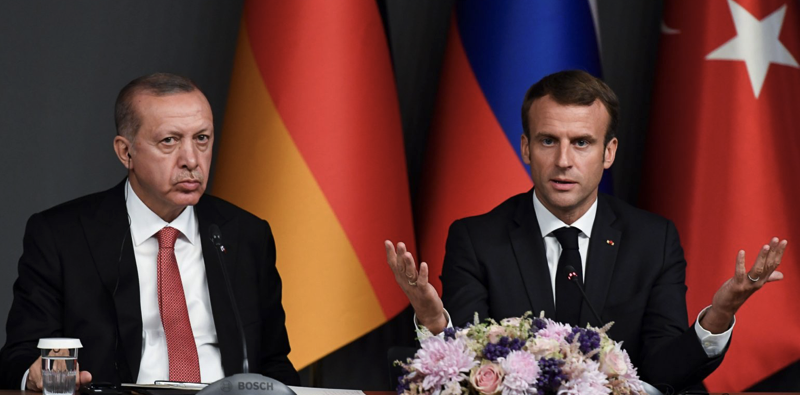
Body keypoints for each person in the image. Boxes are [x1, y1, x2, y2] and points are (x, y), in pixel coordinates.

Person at [385, 70, 786, 392]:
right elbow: (474, 370)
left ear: (608, 153)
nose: (563, 161)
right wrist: (435, 322)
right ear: (525, 148)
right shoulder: (476, 239)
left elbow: (665, 371)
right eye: (548, 141)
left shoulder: (653, 240)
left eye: (581, 143)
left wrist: (719, 315)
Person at [0, 73, 300, 389]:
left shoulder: (246, 234)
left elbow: (273, 363)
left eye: (202, 139)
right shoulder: (63, 236)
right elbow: (21, 355)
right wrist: (37, 375)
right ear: (125, 153)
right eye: (169, 141)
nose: (191, 160)